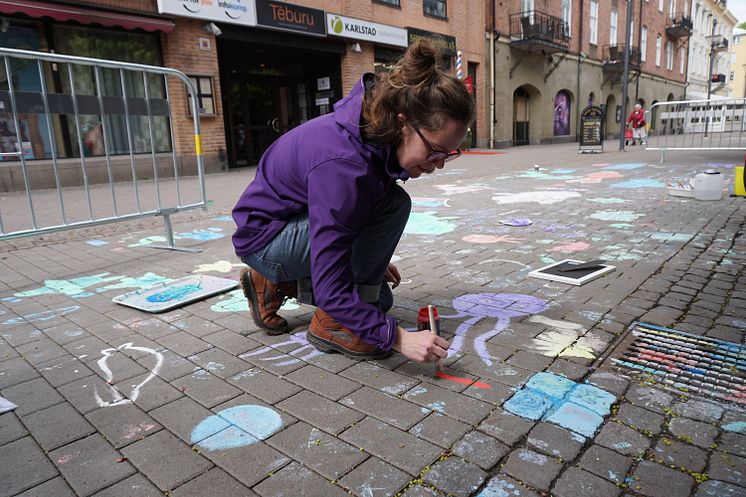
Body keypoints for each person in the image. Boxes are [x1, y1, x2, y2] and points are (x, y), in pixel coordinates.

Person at [231, 40, 475, 363]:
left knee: (380, 298)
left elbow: (349, 212)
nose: (439, 163)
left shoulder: (375, 138)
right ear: (404, 123)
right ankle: (329, 324)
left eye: (449, 154)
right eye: (435, 151)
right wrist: (398, 338)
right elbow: (333, 286)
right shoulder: (345, 165)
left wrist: (366, 254)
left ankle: (273, 284)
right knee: (365, 294)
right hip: (265, 240)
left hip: (290, 224)